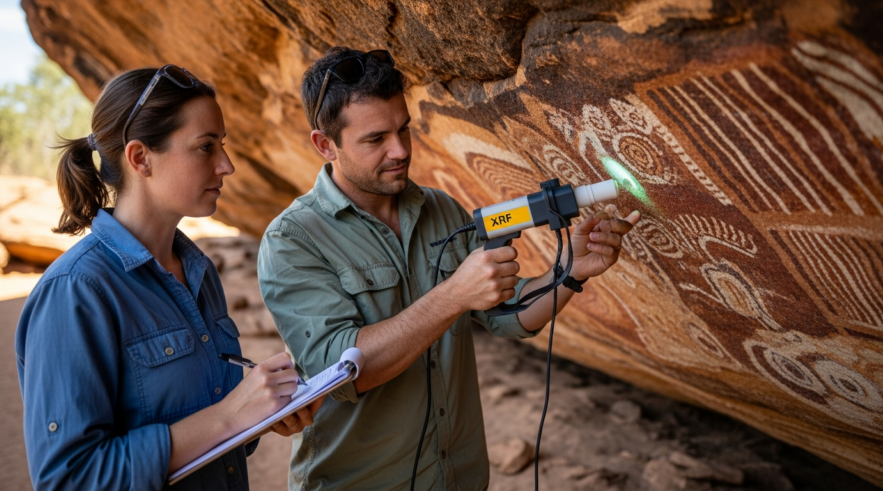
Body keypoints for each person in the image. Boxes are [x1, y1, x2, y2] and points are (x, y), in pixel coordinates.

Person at [257, 47, 641, 490]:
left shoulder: (441, 209)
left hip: (457, 477)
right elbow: (339, 373)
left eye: (403, 129)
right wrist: (455, 293)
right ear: (326, 144)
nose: (400, 150)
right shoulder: (293, 240)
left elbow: (507, 317)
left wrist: (570, 270)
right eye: (375, 139)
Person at [15, 65, 324, 490]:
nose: (227, 165)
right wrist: (231, 415)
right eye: (205, 147)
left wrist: (263, 414)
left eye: (224, 146)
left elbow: (212, 427)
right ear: (141, 158)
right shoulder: (75, 292)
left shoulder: (199, 273)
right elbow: (71, 478)